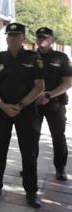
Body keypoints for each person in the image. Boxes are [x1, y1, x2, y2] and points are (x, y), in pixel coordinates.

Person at [0, 22, 45, 208]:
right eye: (9, 35)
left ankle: (31, 191)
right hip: (2, 110)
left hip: (26, 110)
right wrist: (1, 104)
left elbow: (39, 86)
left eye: (16, 35)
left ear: (23, 37)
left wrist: (20, 105)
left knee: (29, 151)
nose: (12, 38)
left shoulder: (34, 57)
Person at [34, 27, 72, 181]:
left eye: (45, 37)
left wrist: (49, 95)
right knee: (31, 136)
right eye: (39, 37)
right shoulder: (29, 56)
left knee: (58, 136)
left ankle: (60, 168)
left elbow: (68, 82)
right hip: (34, 103)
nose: (42, 40)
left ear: (51, 40)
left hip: (55, 103)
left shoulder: (61, 57)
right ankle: (30, 166)